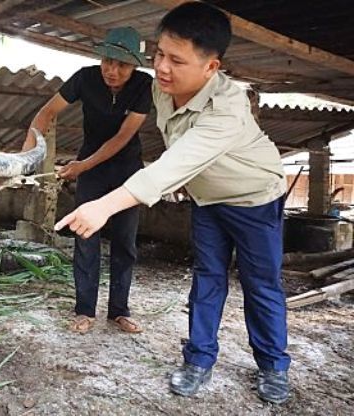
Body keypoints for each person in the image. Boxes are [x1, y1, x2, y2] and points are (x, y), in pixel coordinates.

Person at [55, 2, 291, 405]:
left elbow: (173, 164)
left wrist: (103, 205)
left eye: (176, 60)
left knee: (261, 284)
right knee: (207, 279)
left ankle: (273, 367)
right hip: (206, 199)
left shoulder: (228, 108)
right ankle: (198, 360)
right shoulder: (161, 91)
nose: (162, 67)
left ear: (211, 68)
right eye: (160, 54)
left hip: (254, 200)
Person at [21, 27, 152, 334]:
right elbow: (46, 112)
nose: (112, 70)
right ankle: (84, 311)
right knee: (85, 238)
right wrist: (26, 154)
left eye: (122, 65)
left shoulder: (144, 85)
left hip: (126, 172)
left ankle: (119, 311)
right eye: (108, 60)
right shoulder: (85, 78)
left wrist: (80, 166)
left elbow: (122, 137)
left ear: (134, 66)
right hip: (92, 171)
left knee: (124, 242)